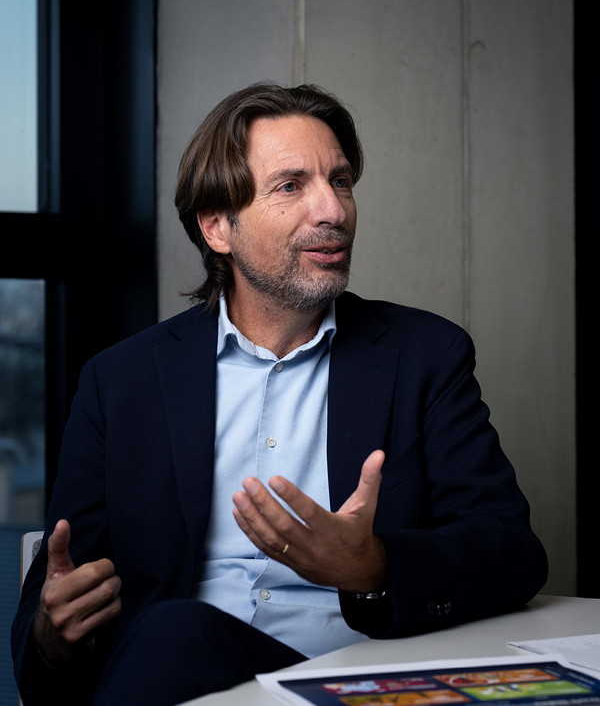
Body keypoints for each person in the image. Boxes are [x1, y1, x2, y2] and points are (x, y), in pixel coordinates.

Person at [12, 82, 547, 705]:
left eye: (340, 182)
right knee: (175, 634)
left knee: (174, 635)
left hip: (353, 685)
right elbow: (52, 604)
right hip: (180, 681)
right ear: (218, 227)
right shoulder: (121, 382)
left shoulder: (426, 356)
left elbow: (512, 552)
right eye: (291, 186)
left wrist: (372, 566)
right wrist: (55, 631)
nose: (333, 210)